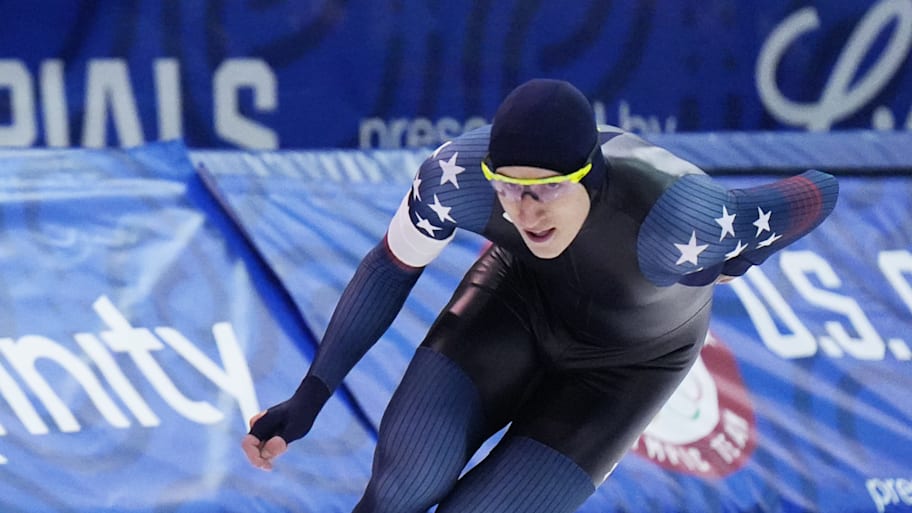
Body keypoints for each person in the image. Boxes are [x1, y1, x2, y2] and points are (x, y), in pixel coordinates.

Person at [241, 79, 838, 512]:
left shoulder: (681, 225)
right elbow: (390, 268)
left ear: (589, 176)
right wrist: (309, 397)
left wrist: (746, 252)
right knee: (402, 485)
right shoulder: (456, 179)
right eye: (508, 188)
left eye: (547, 190)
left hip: (628, 368)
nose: (524, 211)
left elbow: (821, 189)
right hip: (516, 305)